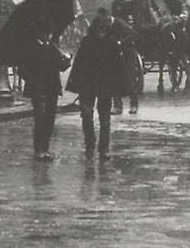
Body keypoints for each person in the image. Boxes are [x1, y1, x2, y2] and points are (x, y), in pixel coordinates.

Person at [66, 8, 135, 161]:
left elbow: (118, 67)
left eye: (104, 29)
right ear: (96, 28)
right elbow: (80, 65)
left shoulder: (108, 43)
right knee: (88, 115)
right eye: (100, 29)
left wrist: (123, 87)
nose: (101, 32)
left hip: (102, 85)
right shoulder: (89, 42)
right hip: (91, 85)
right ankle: (91, 145)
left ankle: (103, 149)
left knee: (103, 117)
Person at [16, 17, 71, 160]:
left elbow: (61, 66)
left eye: (50, 34)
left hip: (52, 87)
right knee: (40, 117)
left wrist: (67, 60)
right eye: (45, 33)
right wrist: (33, 81)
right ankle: (38, 149)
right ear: (39, 33)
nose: (48, 36)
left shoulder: (52, 47)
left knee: (50, 118)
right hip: (38, 88)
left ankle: (45, 148)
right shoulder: (31, 48)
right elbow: (22, 69)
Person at [110, 11, 142, 114]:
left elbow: (133, 34)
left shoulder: (121, 24)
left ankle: (134, 104)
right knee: (114, 80)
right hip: (114, 55)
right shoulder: (105, 27)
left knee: (130, 78)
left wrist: (120, 42)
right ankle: (117, 106)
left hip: (127, 54)